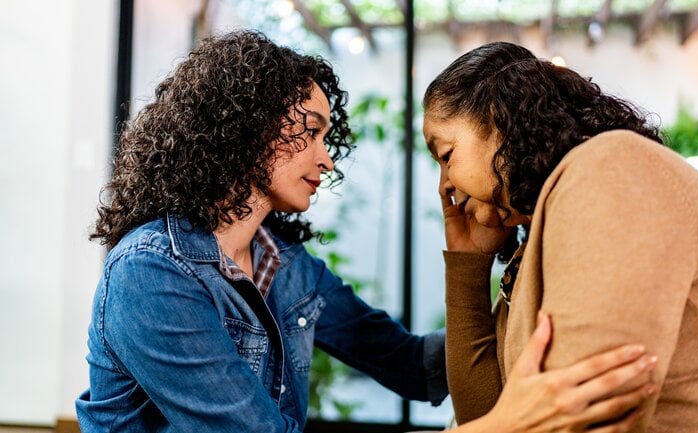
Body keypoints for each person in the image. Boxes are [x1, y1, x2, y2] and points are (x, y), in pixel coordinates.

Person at [76, 30, 655, 433]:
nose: (327, 160)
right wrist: (510, 425)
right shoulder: (151, 273)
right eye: (312, 132)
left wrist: (478, 272)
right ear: (247, 127)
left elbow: (409, 365)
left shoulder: (282, 263)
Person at [422, 41, 698, 433]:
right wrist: (468, 267)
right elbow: (494, 418)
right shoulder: (537, 237)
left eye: (446, 155)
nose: (445, 187)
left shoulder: (609, 169)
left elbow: (586, 420)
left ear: (498, 117)